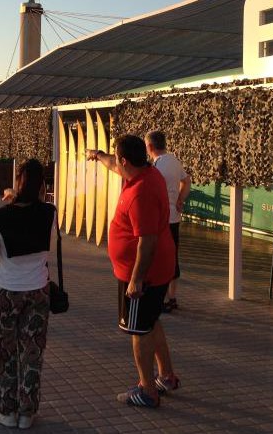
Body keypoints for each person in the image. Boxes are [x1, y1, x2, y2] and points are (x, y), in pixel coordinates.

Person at [86, 135, 178, 408]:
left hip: (144, 275)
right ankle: (167, 377)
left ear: (127, 160)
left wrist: (136, 280)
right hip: (158, 269)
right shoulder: (146, 173)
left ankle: (147, 390)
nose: (115, 163)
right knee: (151, 322)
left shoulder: (141, 192)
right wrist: (98, 154)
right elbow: (114, 164)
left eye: (117, 158)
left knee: (138, 330)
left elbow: (146, 241)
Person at [0, 159, 56, 429]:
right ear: (42, 186)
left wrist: (10, 201)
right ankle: (27, 413)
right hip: (37, 291)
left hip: (4, 292)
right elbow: (33, 212)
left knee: (4, 352)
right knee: (32, 353)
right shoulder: (50, 213)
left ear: (18, 182)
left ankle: (5, 410)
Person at [144, 131, 191, 313]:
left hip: (161, 219)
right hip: (174, 218)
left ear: (150, 147)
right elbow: (186, 181)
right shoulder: (174, 161)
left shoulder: (155, 167)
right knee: (173, 257)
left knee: (159, 258)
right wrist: (180, 199)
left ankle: (161, 298)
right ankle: (172, 297)